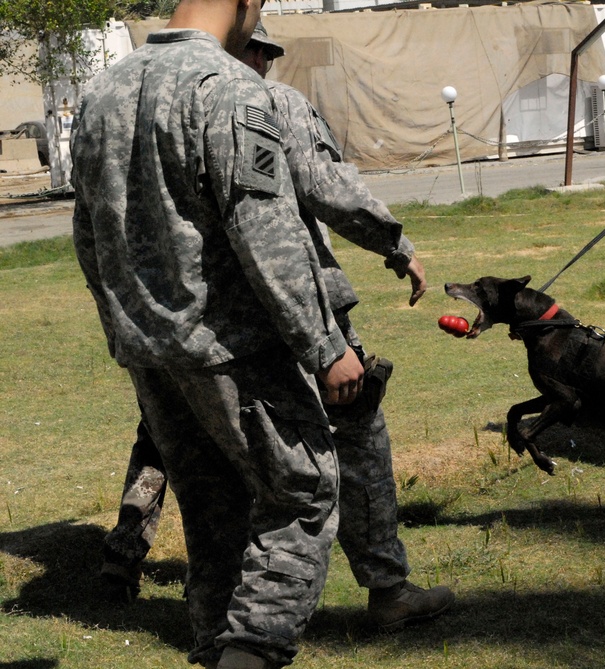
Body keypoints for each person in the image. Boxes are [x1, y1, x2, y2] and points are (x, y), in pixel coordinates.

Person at [100, 21, 455, 635]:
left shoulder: (118, 95)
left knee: (189, 464)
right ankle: (382, 589)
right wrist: (393, 243)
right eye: (263, 49)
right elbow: (324, 188)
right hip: (277, 322)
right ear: (252, 44)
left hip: (170, 331)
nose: (266, 61)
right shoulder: (261, 100)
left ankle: (174, 594)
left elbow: (99, 226)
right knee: (342, 451)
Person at [72, 1, 364, 667]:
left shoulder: (104, 91)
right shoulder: (230, 90)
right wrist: (325, 345)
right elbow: (268, 232)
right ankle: (250, 653)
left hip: (153, 354)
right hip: (230, 351)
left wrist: (130, 330)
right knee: (303, 494)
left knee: (212, 517)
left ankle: (213, 647)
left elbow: (89, 235)